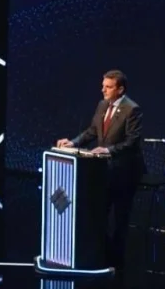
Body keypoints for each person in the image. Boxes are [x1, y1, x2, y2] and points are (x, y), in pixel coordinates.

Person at [56, 70, 144, 268]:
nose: (103, 90)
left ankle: (117, 263)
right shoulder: (102, 105)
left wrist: (108, 150)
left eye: (108, 87)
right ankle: (101, 255)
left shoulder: (132, 109)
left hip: (124, 171)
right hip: (103, 170)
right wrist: (73, 142)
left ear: (120, 89)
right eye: (103, 86)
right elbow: (92, 131)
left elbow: (132, 142)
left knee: (120, 217)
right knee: (98, 213)